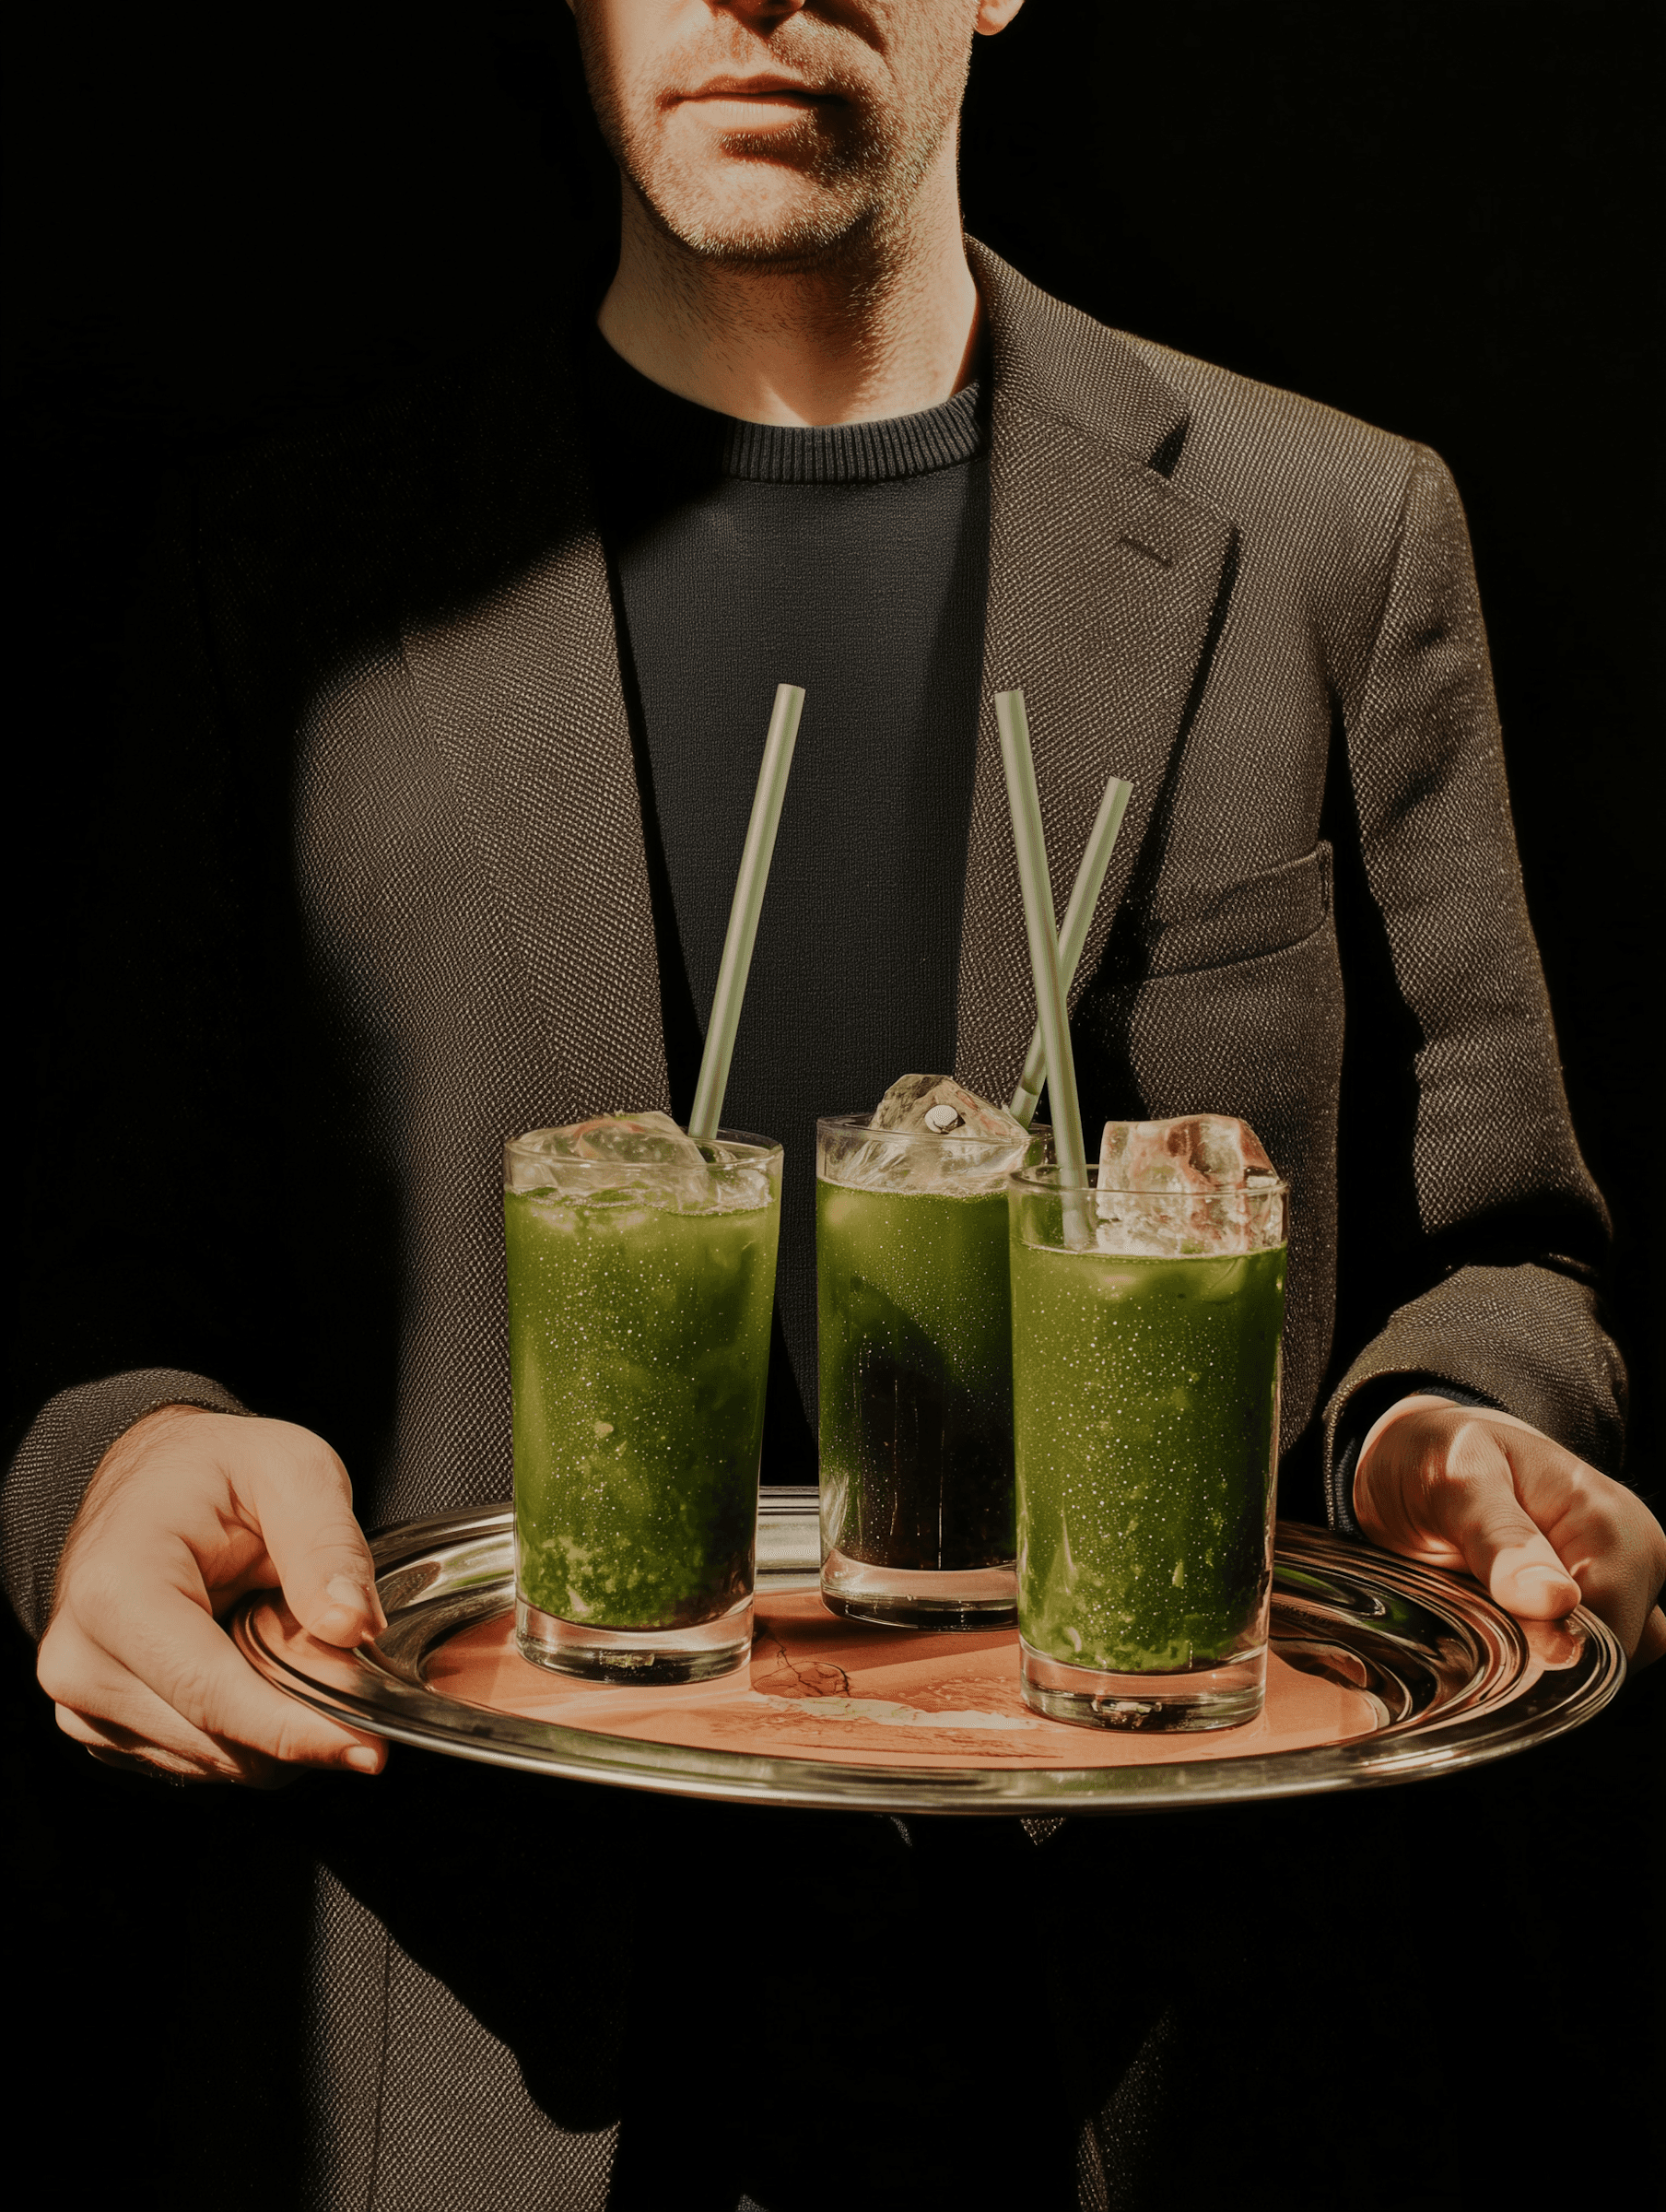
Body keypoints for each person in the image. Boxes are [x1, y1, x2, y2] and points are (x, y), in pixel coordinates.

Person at [6, 3, 1662, 2206]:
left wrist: (1446, 1428)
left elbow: (1504, 1249)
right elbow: (117, 1278)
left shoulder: (1328, 541)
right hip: (496, 2087)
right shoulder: (283, 573)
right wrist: (110, 1462)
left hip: (1169, 2087)